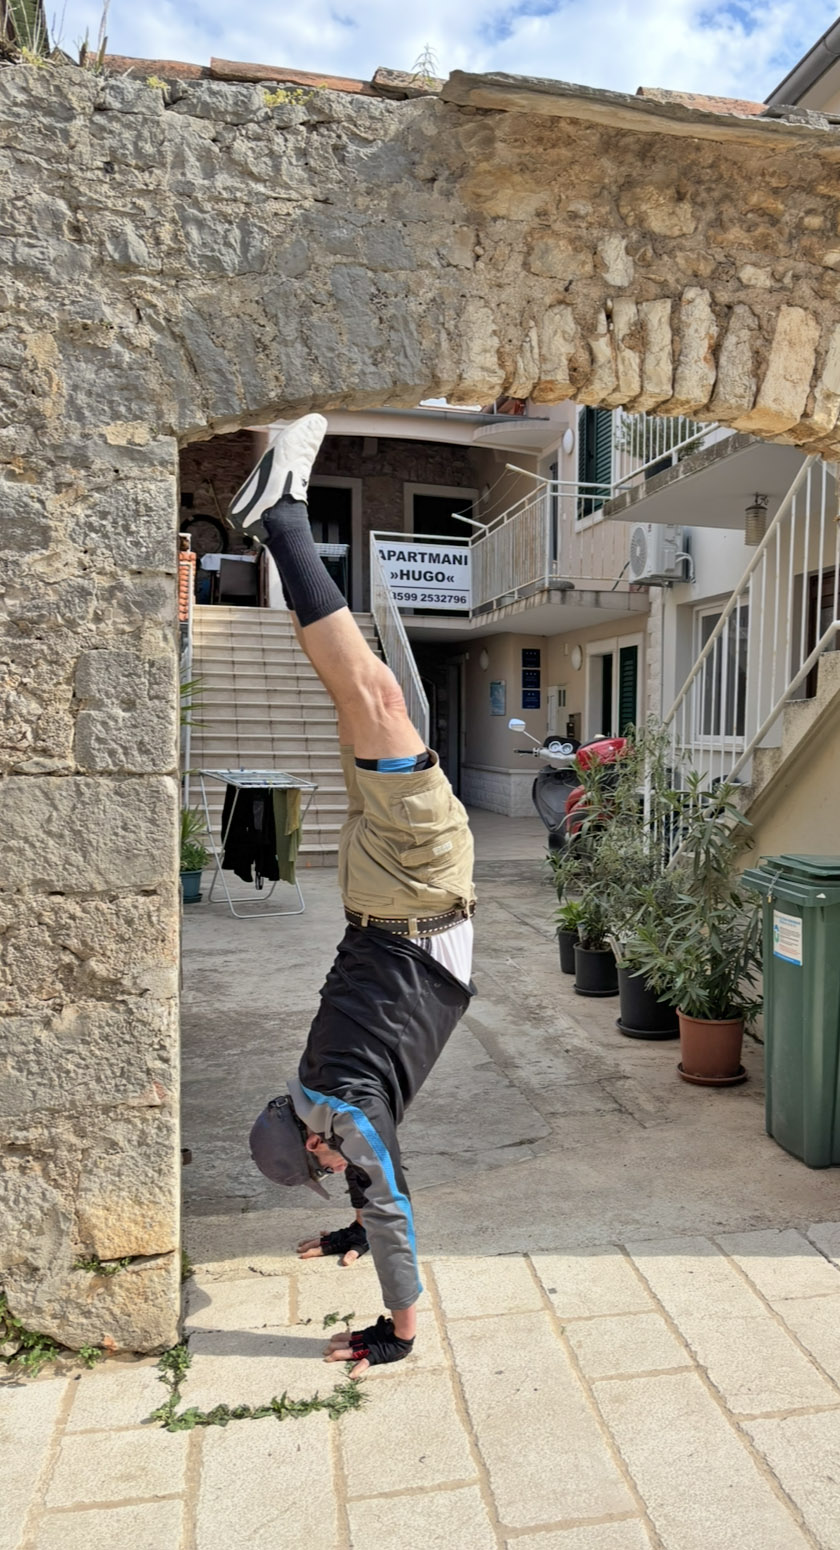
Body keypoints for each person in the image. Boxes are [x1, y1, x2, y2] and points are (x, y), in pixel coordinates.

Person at [237, 415, 475, 1373]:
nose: (340, 1168)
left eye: (327, 1169)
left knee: (377, 697)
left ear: (316, 1144)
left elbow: (388, 1193)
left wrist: (396, 1330)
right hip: (381, 900)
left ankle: (283, 520)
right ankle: (281, 524)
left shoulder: (343, 1107)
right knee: (361, 697)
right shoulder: (317, 1094)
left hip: (416, 887)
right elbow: (366, 1165)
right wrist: (350, 1227)